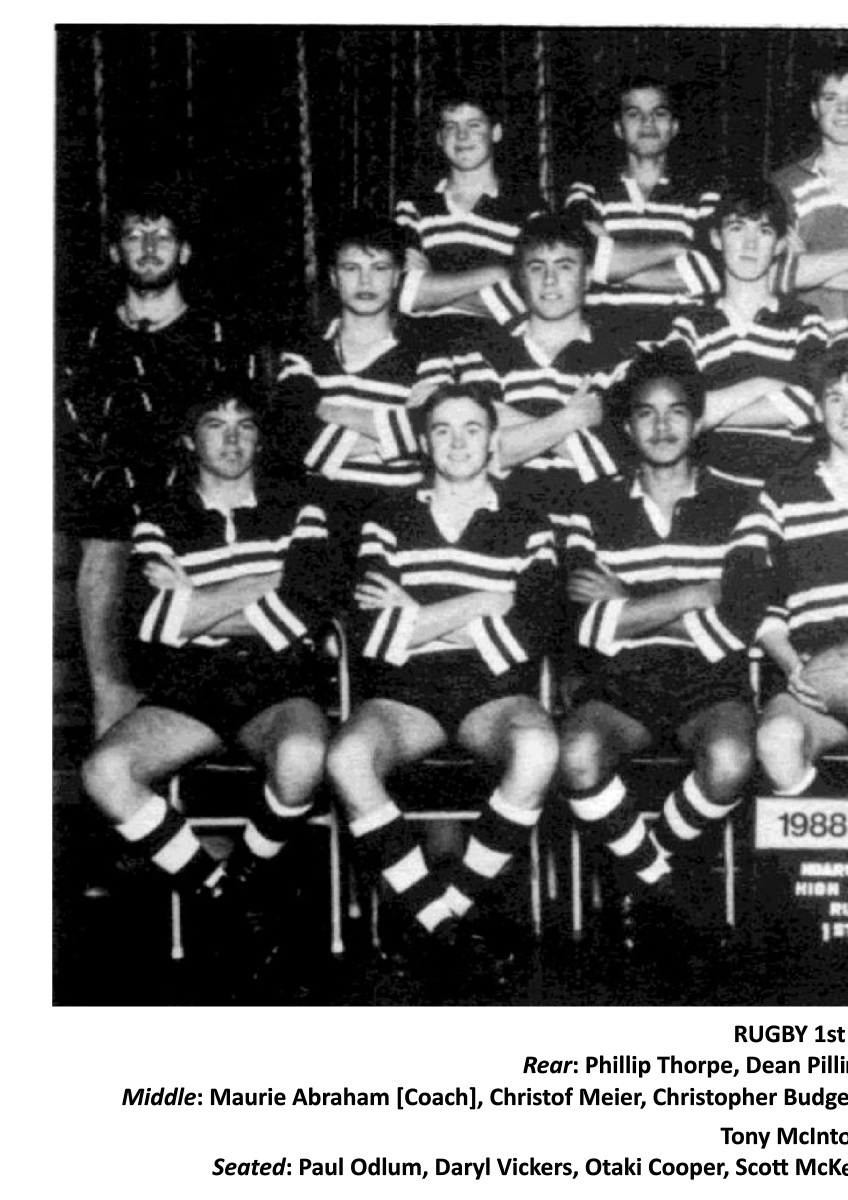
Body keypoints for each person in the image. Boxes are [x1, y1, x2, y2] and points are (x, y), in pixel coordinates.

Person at [81, 390, 336, 936]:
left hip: (280, 677)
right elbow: (153, 622)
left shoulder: (300, 508)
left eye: (245, 426)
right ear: (189, 441)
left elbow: (307, 608)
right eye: (216, 425)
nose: (232, 438)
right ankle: (226, 897)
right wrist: (265, 580)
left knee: (303, 756)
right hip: (192, 683)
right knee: (104, 773)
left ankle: (241, 879)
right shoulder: (159, 518)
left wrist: (193, 601)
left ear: (260, 439)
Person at [326, 383, 559, 969]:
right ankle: (445, 923)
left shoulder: (529, 524)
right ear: (425, 443)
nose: (458, 443)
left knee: (538, 748)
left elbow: (534, 632)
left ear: (494, 440)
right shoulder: (387, 518)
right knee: (346, 758)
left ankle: (444, 911)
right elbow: (376, 635)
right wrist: (485, 600)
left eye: (472, 429)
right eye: (443, 430)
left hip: (495, 695)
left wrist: (417, 615)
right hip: (405, 697)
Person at [557, 349, 763, 950]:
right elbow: (586, 624)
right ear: (627, 426)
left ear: (697, 422)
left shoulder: (742, 502)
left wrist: (629, 603)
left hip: (711, 679)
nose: (663, 426)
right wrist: (695, 594)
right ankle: (666, 890)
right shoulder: (589, 504)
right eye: (647, 413)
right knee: (576, 755)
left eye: (677, 412)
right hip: (621, 680)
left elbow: (738, 621)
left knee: (730, 760)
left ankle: (639, 879)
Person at [57, 188, 253, 737]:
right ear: (115, 252)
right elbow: (68, 445)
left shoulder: (218, 337)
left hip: (197, 513)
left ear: (184, 252)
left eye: (162, 236)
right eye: (135, 236)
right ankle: (112, 712)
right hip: (110, 521)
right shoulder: (85, 339)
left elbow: (239, 443)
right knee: (105, 547)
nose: (148, 248)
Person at [420, 214, 632, 518]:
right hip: (502, 526)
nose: (550, 280)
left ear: (587, 276)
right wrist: (571, 418)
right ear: (521, 278)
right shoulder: (480, 354)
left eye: (564, 266)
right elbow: (485, 453)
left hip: (593, 523)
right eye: (536, 267)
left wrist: (506, 418)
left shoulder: (621, 358)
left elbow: (612, 457)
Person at [272, 216, 431, 569]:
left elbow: (433, 429)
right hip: (318, 524)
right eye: (351, 268)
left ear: (397, 276)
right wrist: (399, 432)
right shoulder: (304, 351)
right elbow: (293, 437)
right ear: (332, 277)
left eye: (379, 268)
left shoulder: (425, 350)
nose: (365, 281)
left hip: (401, 525)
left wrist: (330, 411)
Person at [662, 178, 829, 489]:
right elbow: (669, 409)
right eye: (737, 228)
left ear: (780, 245)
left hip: (789, 491)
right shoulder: (691, 325)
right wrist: (762, 384)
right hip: (713, 491)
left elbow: (812, 401)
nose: (750, 244)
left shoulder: (804, 319)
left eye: (764, 231)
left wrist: (702, 416)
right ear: (716, 238)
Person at [563, 73, 721, 343]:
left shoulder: (704, 195)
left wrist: (612, 265)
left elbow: (710, 274)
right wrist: (675, 248)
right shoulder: (588, 191)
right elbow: (584, 261)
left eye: (659, 113)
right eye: (634, 114)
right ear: (618, 128)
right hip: (603, 344)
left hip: (681, 344)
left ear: (674, 127)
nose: (648, 123)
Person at [755, 350, 848, 796]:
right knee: (776, 741)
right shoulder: (783, 492)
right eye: (835, 398)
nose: (847, 412)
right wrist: (793, 668)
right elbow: (762, 598)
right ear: (817, 409)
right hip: (812, 679)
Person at [394, 81, 545, 343]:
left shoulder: (529, 210)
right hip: (424, 348)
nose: (462, 136)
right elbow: (401, 290)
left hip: (500, 351)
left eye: (474, 125)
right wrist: (497, 274)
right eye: (450, 126)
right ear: (439, 138)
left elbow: (530, 298)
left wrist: (433, 286)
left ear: (495, 132)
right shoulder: (414, 206)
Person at [774, 48, 848, 335]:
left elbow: (798, 273)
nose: (843, 109)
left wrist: (812, 264)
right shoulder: (784, 185)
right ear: (815, 108)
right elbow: (776, 274)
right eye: (831, 98)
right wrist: (797, 271)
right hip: (812, 345)